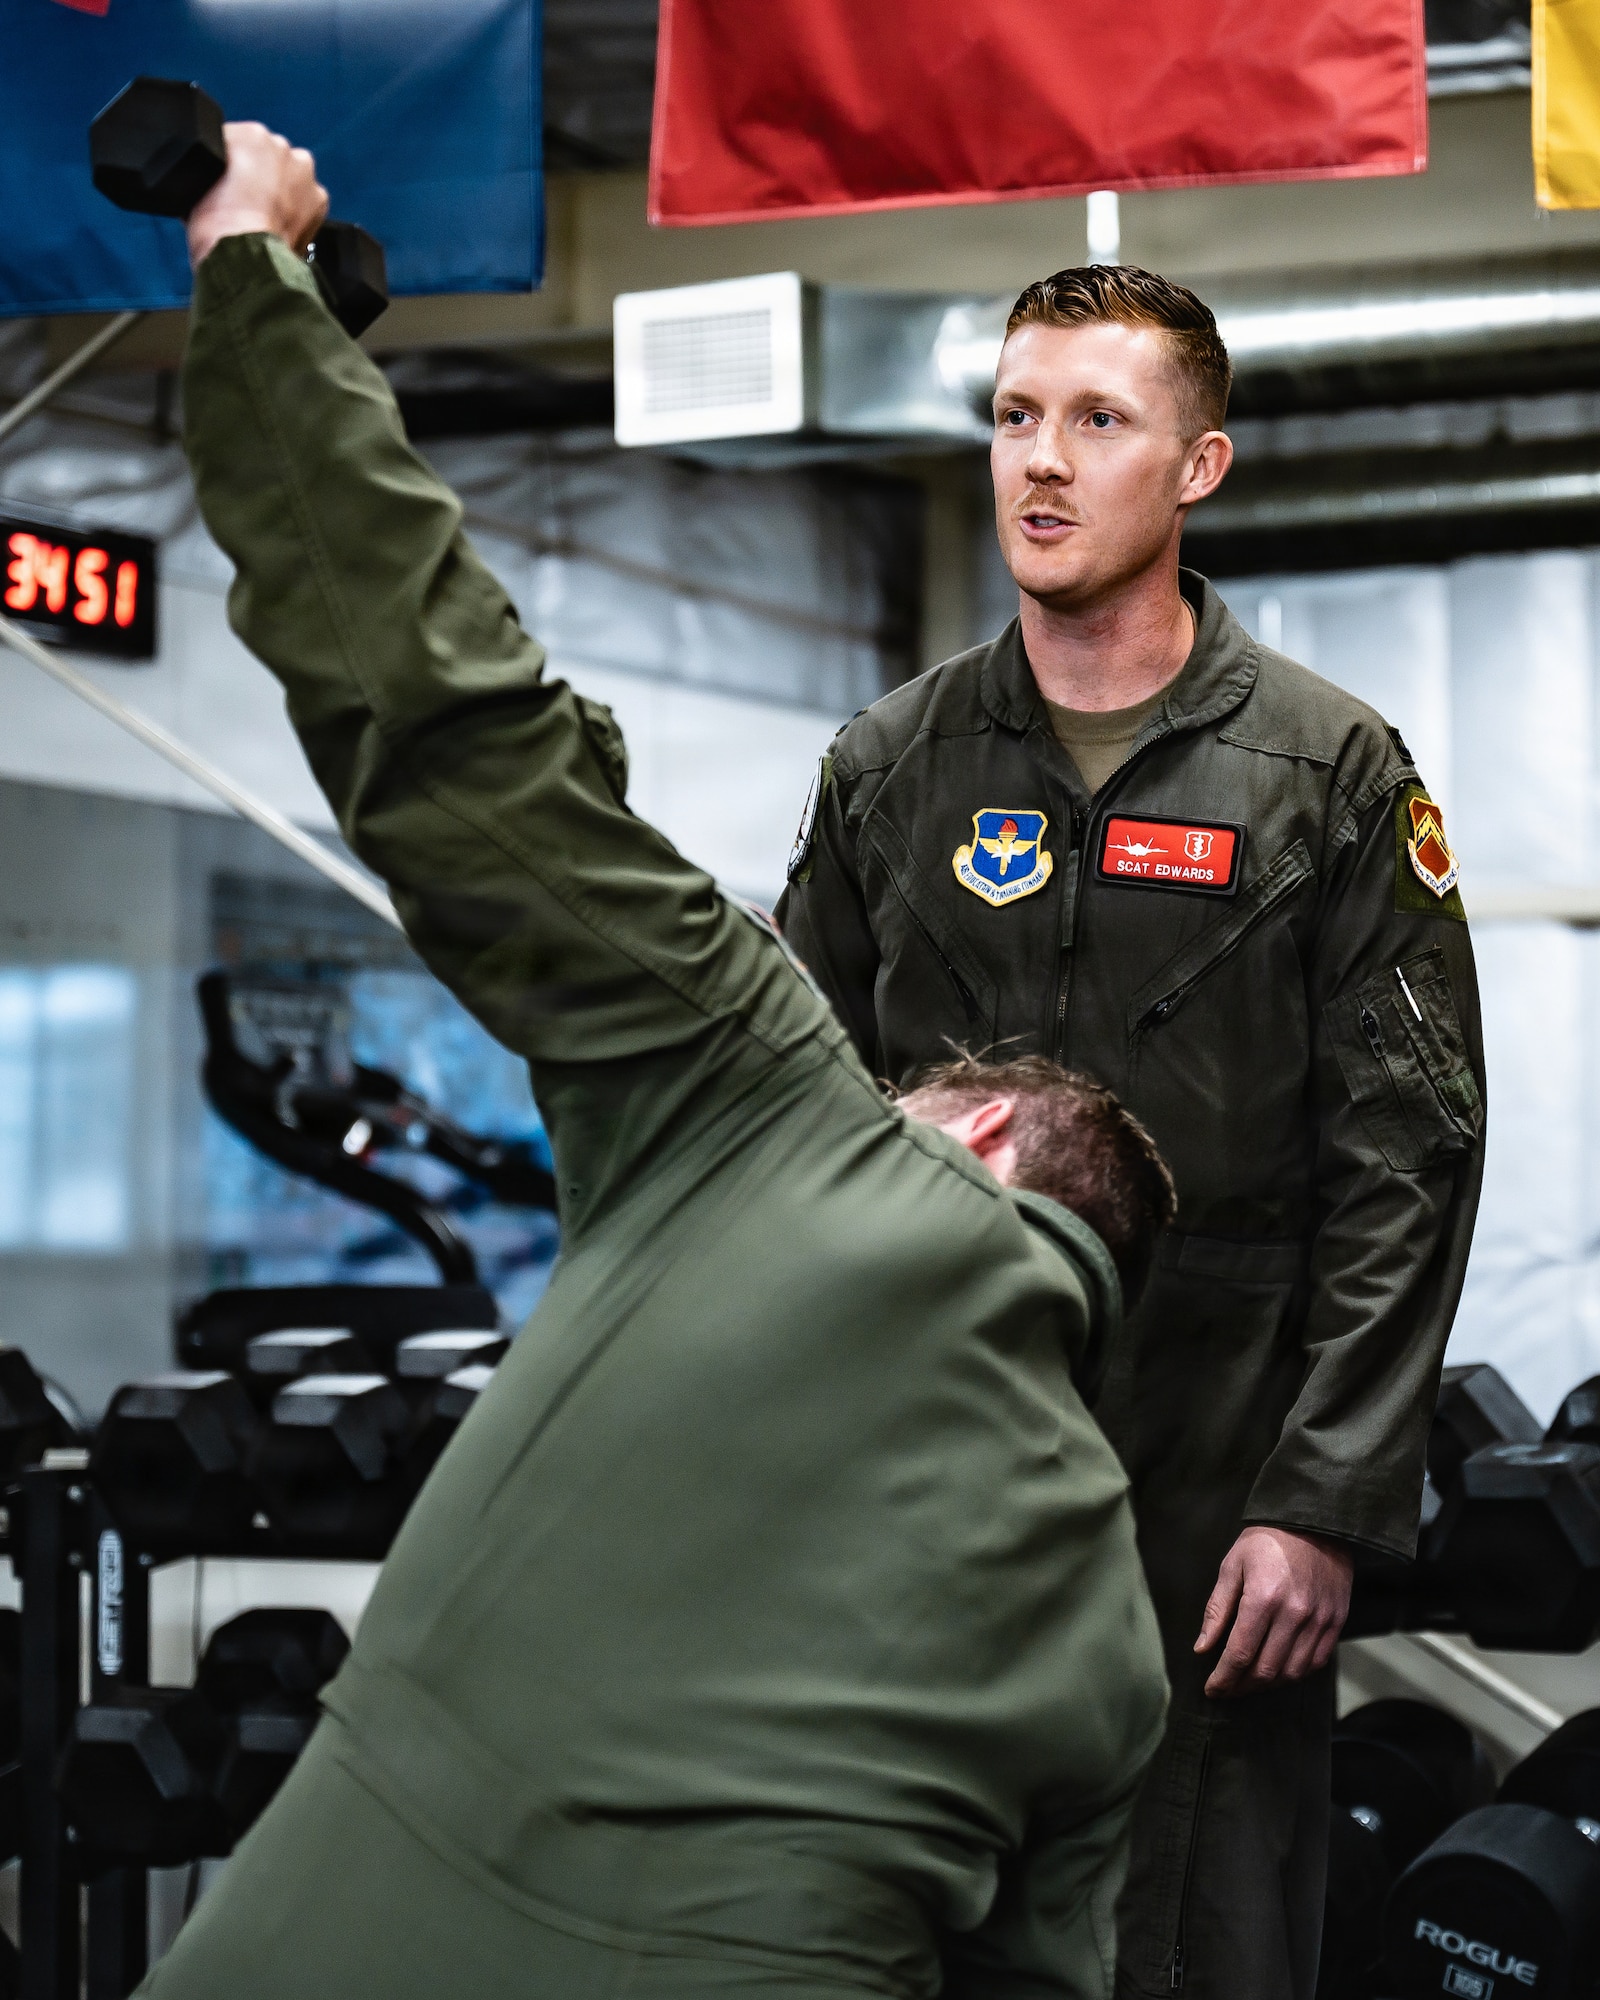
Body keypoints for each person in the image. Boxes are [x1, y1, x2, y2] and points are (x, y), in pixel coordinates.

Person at [138, 129, 1174, 2000]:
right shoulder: (1110, 1633)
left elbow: (452, 728)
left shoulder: (784, 1128)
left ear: (993, 1126)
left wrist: (251, 284)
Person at [778, 266, 1486, 2000]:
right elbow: (785, 1122)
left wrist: (1321, 1502)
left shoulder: (1325, 773)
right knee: (921, 1924)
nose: (1042, 460)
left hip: (1217, 1486)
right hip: (933, 1477)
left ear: (1200, 467)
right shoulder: (892, 768)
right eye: (1017, 415)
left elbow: (1411, 1157)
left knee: (1205, 1928)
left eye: (1099, 421)